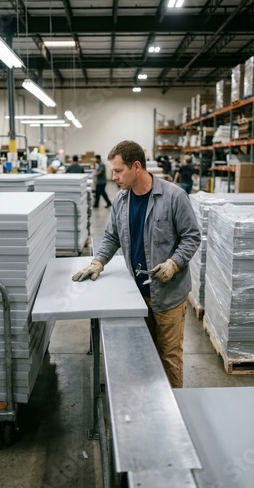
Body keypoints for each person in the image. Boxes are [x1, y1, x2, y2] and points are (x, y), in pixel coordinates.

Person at [72, 140, 201, 388]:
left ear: (137, 167)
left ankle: (173, 412)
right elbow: (111, 236)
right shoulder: (121, 200)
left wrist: (174, 263)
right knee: (141, 357)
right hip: (136, 296)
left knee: (169, 359)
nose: (114, 177)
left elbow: (191, 236)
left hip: (168, 297)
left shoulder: (174, 197)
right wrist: (99, 261)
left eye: (119, 171)